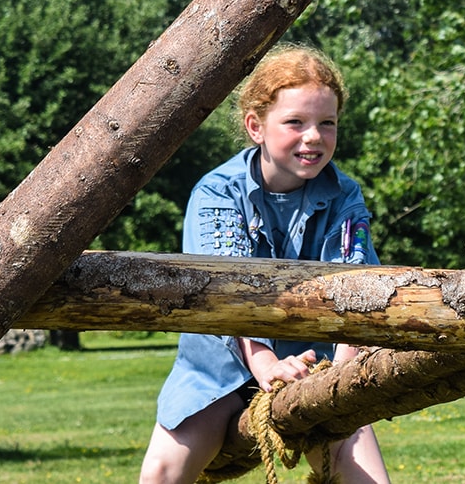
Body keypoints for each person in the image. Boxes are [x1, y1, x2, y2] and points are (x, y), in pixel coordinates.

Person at [140, 45, 391, 484]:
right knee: (162, 474)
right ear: (255, 126)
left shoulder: (344, 195)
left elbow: (356, 288)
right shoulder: (218, 192)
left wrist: (342, 378)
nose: (313, 136)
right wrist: (266, 366)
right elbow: (227, 293)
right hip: (220, 370)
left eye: (326, 123)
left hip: (317, 365)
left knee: (364, 477)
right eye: (295, 122)